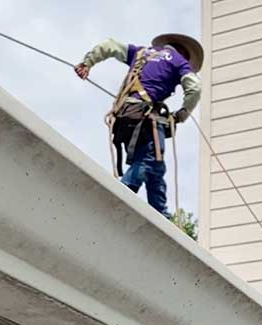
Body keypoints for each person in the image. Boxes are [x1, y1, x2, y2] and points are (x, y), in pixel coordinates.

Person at [74, 34, 203, 217]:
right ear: (183, 52)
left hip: (125, 115)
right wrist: (181, 115)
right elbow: (195, 88)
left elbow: (110, 45)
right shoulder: (178, 60)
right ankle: (118, 197)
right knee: (148, 159)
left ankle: (161, 216)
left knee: (155, 166)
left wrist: (88, 63)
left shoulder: (141, 52)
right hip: (145, 115)